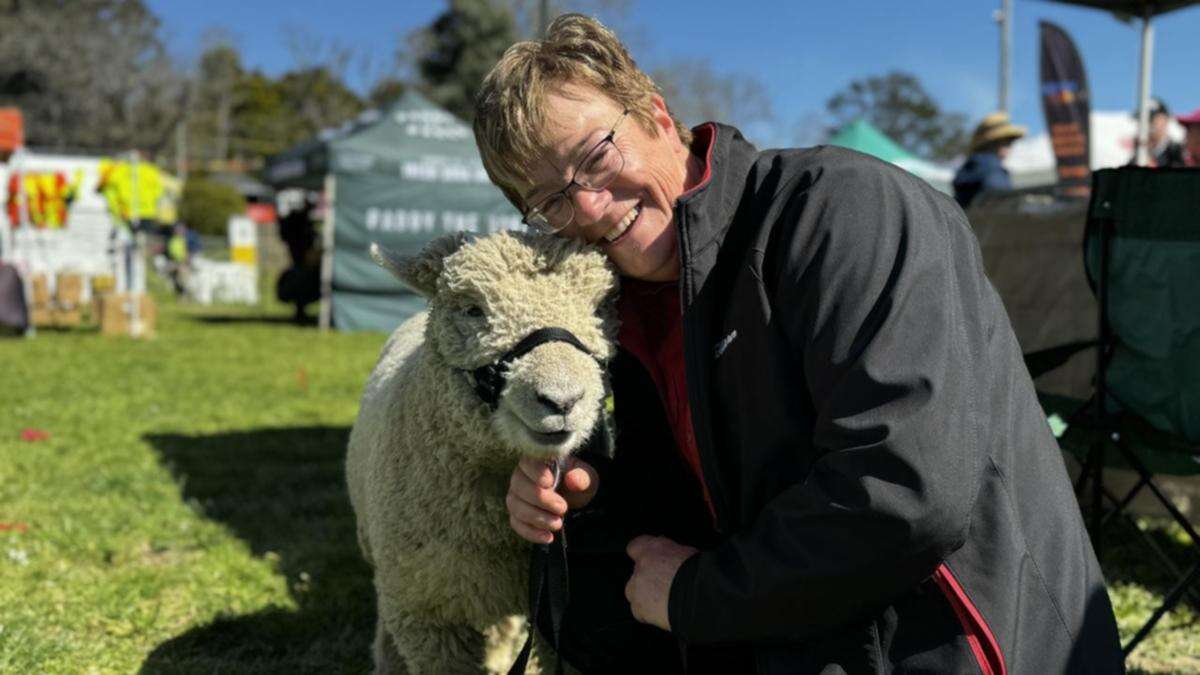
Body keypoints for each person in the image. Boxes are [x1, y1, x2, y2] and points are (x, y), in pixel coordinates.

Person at [475, 15, 1123, 674]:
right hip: (792, 629)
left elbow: (903, 493)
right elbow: (695, 496)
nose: (585, 206)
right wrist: (590, 493)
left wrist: (695, 594)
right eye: (550, 200)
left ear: (658, 117)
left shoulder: (843, 211)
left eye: (595, 155)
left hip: (950, 644)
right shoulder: (633, 307)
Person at [952, 111, 1024, 208]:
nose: (1010, 145)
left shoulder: (970, 166)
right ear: (994, 142)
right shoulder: (989, 166)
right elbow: (1001, 198)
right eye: (1007, 140)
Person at [1142, 98, 1187, 168]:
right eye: (1144, 119)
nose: (1148, 123)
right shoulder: (1138, 152)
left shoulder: (1177, 152)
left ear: (1166, 120)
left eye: (1152, 118)